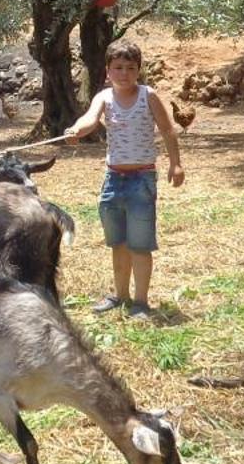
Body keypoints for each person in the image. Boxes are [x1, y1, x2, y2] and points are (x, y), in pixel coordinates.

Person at [61, 39, 184, 319]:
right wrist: (75, 130)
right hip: (113, 180)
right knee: (118, 244)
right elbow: (89, 120)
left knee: (140, 245)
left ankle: (140, 302)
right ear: (107, 71)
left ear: (138, 71)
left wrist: (176, 165)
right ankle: (120, 296)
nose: (124, 73)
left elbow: (168, 130)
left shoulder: (148, 95)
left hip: (142, 179)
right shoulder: (104, 98)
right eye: (118, 67)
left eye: (130, 67)